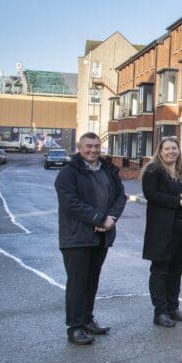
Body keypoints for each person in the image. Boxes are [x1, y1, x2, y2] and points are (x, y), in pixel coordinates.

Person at [55, 132, 126, 345]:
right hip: (77, 237)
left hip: (101, 236)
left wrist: (111, 217)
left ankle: (87, 320)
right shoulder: (68, 173)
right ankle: (75, 327)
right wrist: (98, 218)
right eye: (88, 146)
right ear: (80, 147)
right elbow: (71, 203)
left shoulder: (108, 170)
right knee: (77, 283)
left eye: (96, 146)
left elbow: (120, 196)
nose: (93, 150)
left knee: (91, 280)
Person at [140, 136, 182, 328]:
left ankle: (172, 308)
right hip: (162, 230)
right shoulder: (153, 170)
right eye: (167, 149)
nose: (171, 152)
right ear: (160, 151)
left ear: (179, 150)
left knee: (177, 269)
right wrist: (177, 201)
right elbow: (151, 195)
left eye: (174, 148)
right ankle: (159, 312)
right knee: (160, 271)